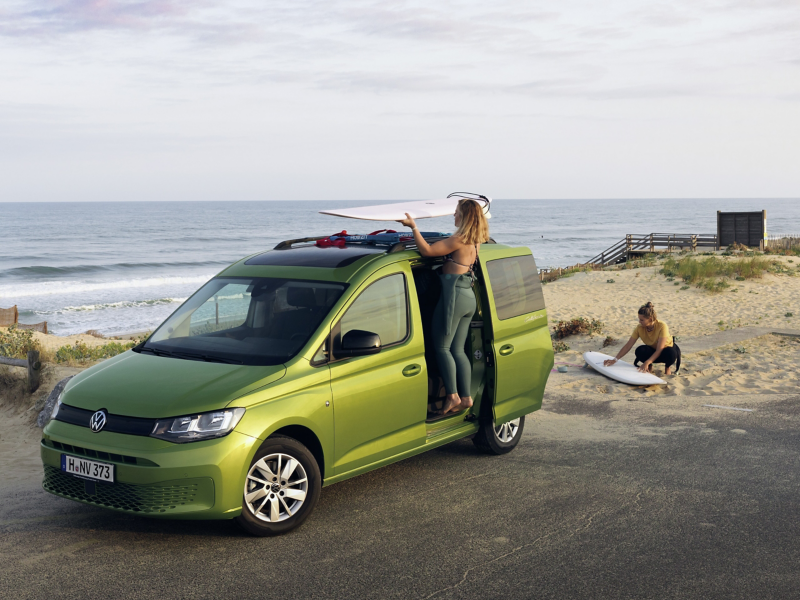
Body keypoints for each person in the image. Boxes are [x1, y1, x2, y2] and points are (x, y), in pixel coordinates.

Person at [397, 199, 490, 415]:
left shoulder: (459, 239)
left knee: (441, 347)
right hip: (468, 294)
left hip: (454, 294)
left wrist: (414, 227)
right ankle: (466, 397)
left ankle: (452, 395)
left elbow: (427, 251)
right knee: (458, 350)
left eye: (456, 212)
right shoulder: (477, 240)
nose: (454, 216)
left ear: (465, 216)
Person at [603, 302, 681, 375]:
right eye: (639, 319)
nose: (639, 322)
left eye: (642, 320)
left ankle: (667, 367)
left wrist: (646, 362)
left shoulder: (662, 326)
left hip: (664, 351)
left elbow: (659, 349)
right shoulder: (639, 328)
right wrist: (615, 360)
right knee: (640, 350)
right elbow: (628, 345)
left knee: (671, 353)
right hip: (652, 350)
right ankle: (649, 365)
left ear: (650, 319)